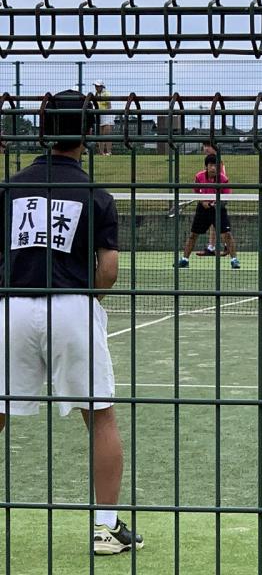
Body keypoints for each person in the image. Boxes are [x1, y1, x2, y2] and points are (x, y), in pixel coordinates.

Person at [0, 89, 143, 555]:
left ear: (42, 129)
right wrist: (86, 298)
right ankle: (106, 528)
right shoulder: (95, 195)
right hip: (71, 306)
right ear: (88, 134)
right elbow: (109, 270)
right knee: (100, 416)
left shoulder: (10, 188)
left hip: (12, 305)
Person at [177, 153, 240, 269]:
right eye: (211, 165)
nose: (213, 168)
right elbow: (196, 192)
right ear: (206, 166)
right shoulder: (199, 177)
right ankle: (184, 260)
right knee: (193, 235)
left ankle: (234, 260)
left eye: (216, 165)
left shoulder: (223, 179)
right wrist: (202, 201)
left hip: (219, 210)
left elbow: (227, 198)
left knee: (227, 235)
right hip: (203, 210)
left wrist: (218, 203)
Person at [197, 141, 227, 256]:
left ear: (214, 147)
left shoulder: (218, 162)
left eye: (208, 146)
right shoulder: (207, 162)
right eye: (204, 146)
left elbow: (222, 179)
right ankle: (211, 247)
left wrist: (218, 198)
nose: (205, 148)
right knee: (213, 223)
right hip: (209, 197)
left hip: (218, 197)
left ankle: (224, 246)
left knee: (218, 222)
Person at [93, 80, 113, 156]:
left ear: (102, 86)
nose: (96, 87)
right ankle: (101, 152)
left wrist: (107, 113)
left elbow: (109, 105)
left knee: (107, 133)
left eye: (98, 86)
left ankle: (109, 152)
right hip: (98, 115)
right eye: (96, 86)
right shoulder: (95, 94)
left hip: (106, 114)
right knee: (100, 134)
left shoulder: (106, 93)